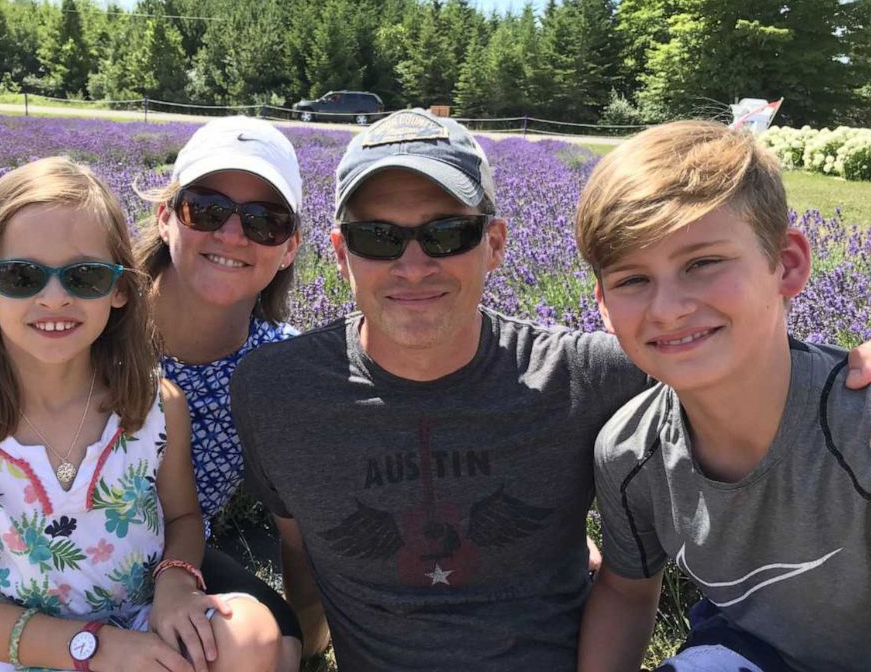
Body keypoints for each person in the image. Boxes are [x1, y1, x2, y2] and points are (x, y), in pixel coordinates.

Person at [230, 109, 871, 671]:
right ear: (340, 254)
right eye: (379, 237)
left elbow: (727, 352)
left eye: (448, 233)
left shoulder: (588, 375)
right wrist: (305, 649)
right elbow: (298, 544)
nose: (414, 263)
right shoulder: (276, 391)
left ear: (496, 245)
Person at [0, 158, 280, 671]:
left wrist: (174, 581)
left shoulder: (156, 410)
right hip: (25, 647)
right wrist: (95, 650)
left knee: (250, 636)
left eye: (84, 276)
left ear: (120, 289)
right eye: (21, 275)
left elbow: (184, 517)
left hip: (138, 624)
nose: (54, 298)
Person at [575, 120, 871, 672]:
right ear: (603, 306)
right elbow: (626, 593)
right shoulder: (630, 454)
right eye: (632, 279)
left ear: (787, 264)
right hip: (749, 648)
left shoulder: (857, 422)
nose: (667, 308)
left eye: (702, 263)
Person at [134, 116, 304, 670]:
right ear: (165, 218)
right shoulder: (88, 316)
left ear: (289, 249)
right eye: (206, 209)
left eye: (264, 222)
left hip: (173, 564)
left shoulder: (279, 367)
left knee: (280, 647)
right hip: (31, 554)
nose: (233, 236)